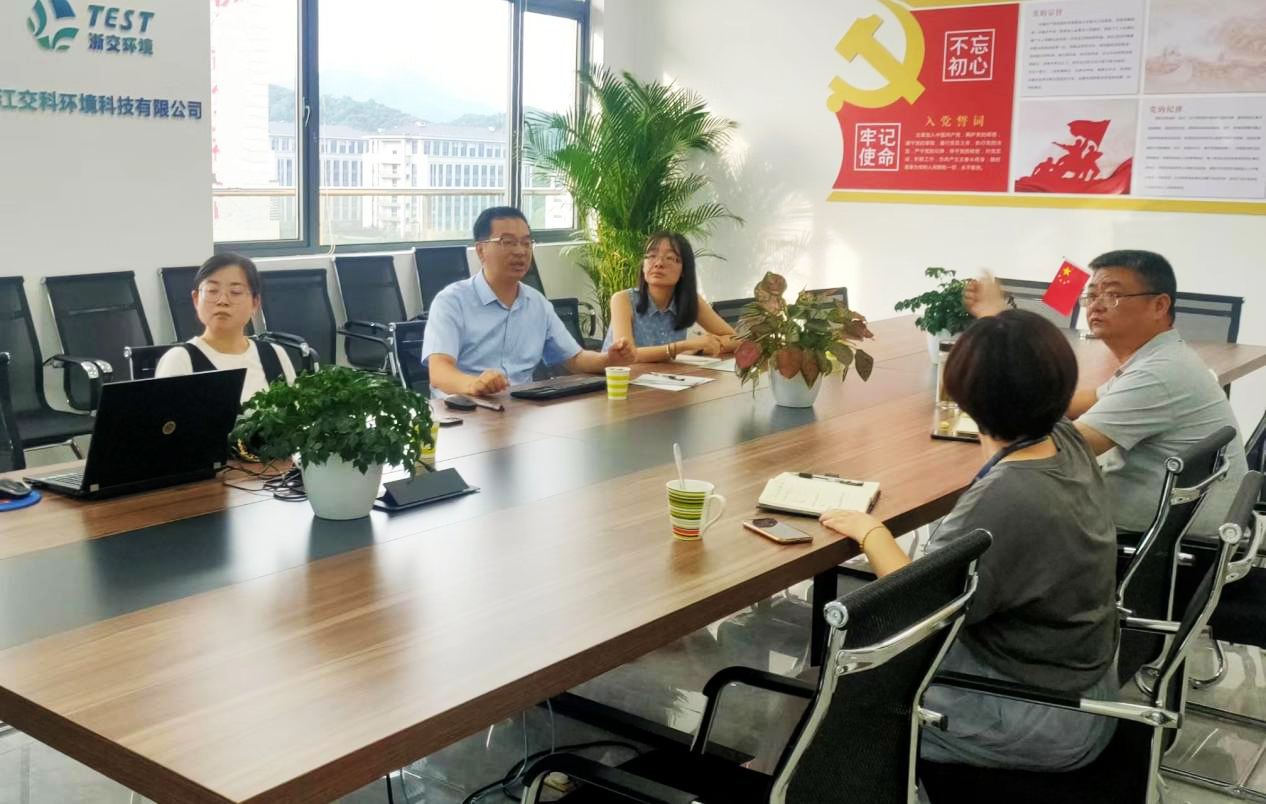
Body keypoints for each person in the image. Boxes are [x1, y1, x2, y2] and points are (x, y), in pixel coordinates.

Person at [820, 310, 1120, 771]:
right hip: (1079, 684)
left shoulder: (1009, 496)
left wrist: (869, 531)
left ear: (961, 395)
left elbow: (916, 608)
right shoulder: (1067, 439)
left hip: (1035, 712)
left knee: (818, 703)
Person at [965, 250, 1247, 536]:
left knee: (986, 515)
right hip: (1173, 524)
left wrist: (996, 326)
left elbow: (1055, 456)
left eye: (1112, 295)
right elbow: (1069, 403)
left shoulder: (1159, 373)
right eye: (1091, 295)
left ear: (1160, 305)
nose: (1096, 305)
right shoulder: (1161, 359)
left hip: (1156, 542)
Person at [422, 206, 636, 397]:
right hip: (464, 411)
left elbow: (574, 359)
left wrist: (609, 359)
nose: (520, 251)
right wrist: (473, 384)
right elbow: (439, 372)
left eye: (526, 243)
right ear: (481, 250)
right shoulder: (451, 301)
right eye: (507, 242)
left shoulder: (537, 303)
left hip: (520, 409)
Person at [155, 253, 297, 404]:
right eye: (212, 291)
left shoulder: (275, 354)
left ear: (255, 303)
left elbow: (296, 414)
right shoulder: (180, 360)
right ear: (196, 300)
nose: (222, 301)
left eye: (235, 292)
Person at [604, 232, 739, 362]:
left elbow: (736, 339)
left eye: (669, 258)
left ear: (684, 270)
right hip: (617, 377)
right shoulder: (623, 300)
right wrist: (682, 347)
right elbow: (625, 355)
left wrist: (701, 347)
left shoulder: (689, 300)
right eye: (651, 256)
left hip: (668, 375)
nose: (658, 263)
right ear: (643, 266)